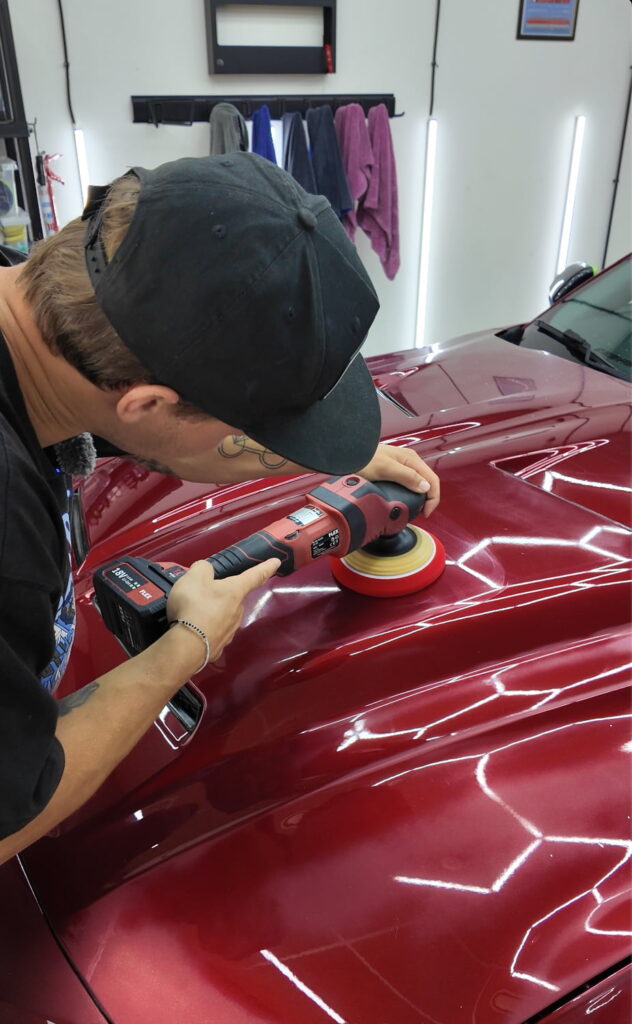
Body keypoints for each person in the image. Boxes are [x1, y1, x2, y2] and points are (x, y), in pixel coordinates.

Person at [0, 152, 439, 864]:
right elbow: (9, 817)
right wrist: (185, 648)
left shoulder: (38, 311)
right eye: (260, 428)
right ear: (144, 404)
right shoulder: (7, 533)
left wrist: (323, 453)